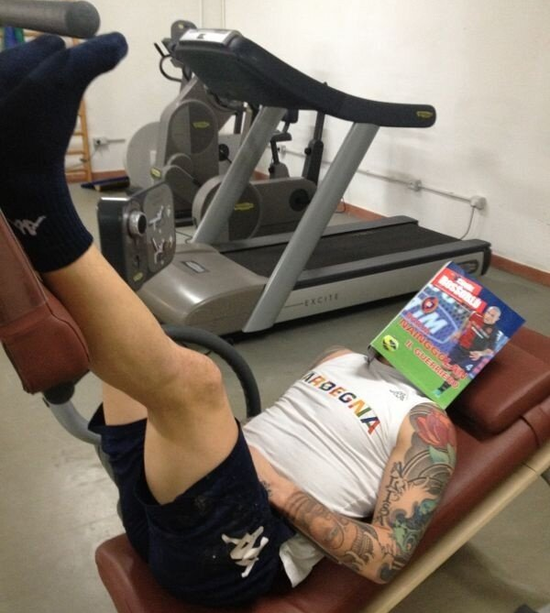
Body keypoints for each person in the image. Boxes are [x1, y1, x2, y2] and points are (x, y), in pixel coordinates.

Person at [0, 34, 457, 607]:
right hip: (177, 501)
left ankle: (34, 199)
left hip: (239, 548)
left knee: (196, 382)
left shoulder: (431, 424)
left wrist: (275, 484)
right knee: (147, 361)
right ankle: (29, 207)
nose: (422, 326)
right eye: (425, 314)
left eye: (444, 329)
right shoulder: (342, 358)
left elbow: (385, 557)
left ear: (459, 362)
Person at [435, 306, 501, 396]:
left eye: (492, 316)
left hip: (472, 356)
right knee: (444, 366)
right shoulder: (476, 315)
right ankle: (454, 372)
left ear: (497, 319)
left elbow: (491, 350)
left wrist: (481, 353)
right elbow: (468, 318)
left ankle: (439, 391)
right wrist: (459, 331)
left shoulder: (494, 332)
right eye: (488, 313)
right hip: (460, 347)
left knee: (457, 373)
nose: (489, 316)